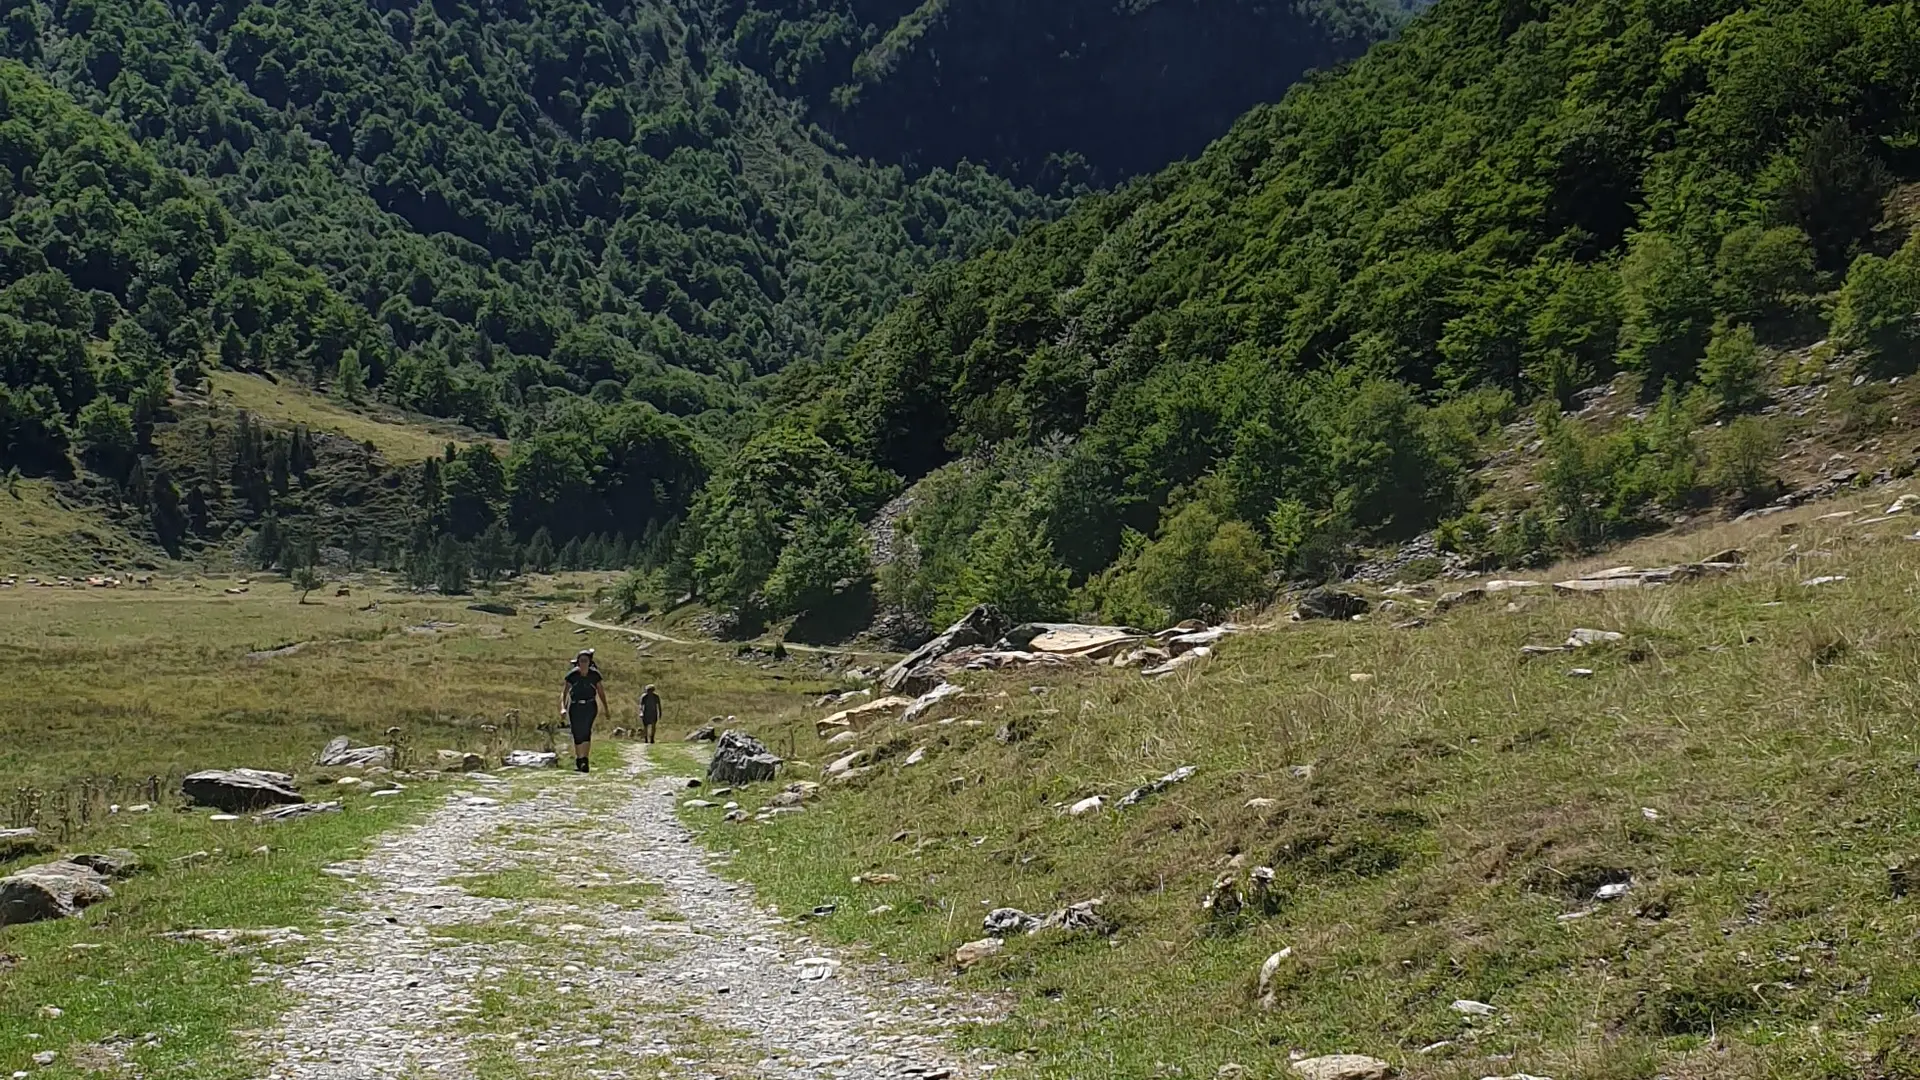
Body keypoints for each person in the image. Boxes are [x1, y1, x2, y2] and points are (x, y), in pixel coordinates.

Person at [561, 648, 609, 773]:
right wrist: (563, 707)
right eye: (580, 661)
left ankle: (585, 760)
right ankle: (579, 759)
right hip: (575, 706)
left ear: (589, 662)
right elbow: (565, 693)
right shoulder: (572, 675)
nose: (583, 664)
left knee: (586, 731)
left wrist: (606, 708)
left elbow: (601, 692)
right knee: (577, 732)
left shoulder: (595, 675)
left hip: (590, 706)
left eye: (585, 661)